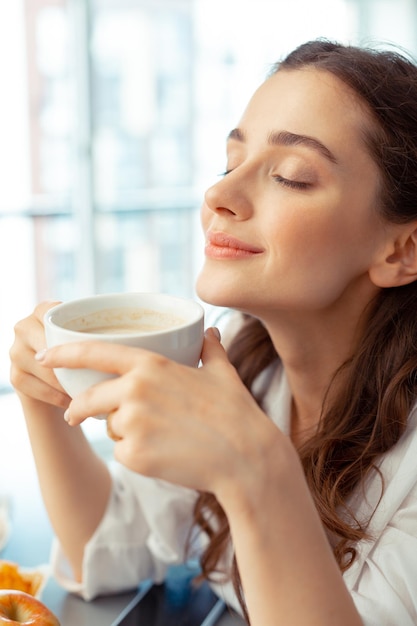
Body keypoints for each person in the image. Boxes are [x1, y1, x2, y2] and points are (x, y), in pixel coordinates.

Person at [9, 38, 417, 626]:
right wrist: (42, 397)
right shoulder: (252, 375)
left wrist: (258, 473)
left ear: (402, 249)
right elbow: (105, 548)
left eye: (291, 177)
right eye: (231, 163)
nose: (218, 195)